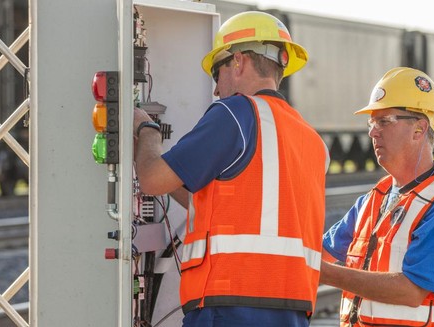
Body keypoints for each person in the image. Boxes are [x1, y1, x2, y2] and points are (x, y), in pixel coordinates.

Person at [133, 11, 329, 327]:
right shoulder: (312, 140)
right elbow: (233, 209)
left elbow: (152, 179)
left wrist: (148, 132)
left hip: (227, 309)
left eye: (216, 74)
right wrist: (179, 175)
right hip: (291, 313)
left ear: (237, 62)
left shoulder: (235, 113)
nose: (215, 90)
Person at [320, 67, 434, 326]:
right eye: (371, 123)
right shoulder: (373, 200)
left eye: (384, 122)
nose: (373, 132)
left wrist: (325, 274)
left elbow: (411, 290)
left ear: (419, 129)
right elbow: (320, 252)